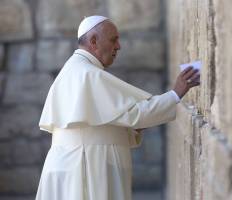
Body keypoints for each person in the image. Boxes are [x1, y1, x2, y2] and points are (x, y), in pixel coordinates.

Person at [35, 15, 200, 200]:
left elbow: (113, 120)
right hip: (86, 166)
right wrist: (175, 93)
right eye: (114, 40)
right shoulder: (87, 74)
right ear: (94, 41)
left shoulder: (75, 69)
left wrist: (133, 127)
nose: (118, 46)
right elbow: (135, 113)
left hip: (73, 164)